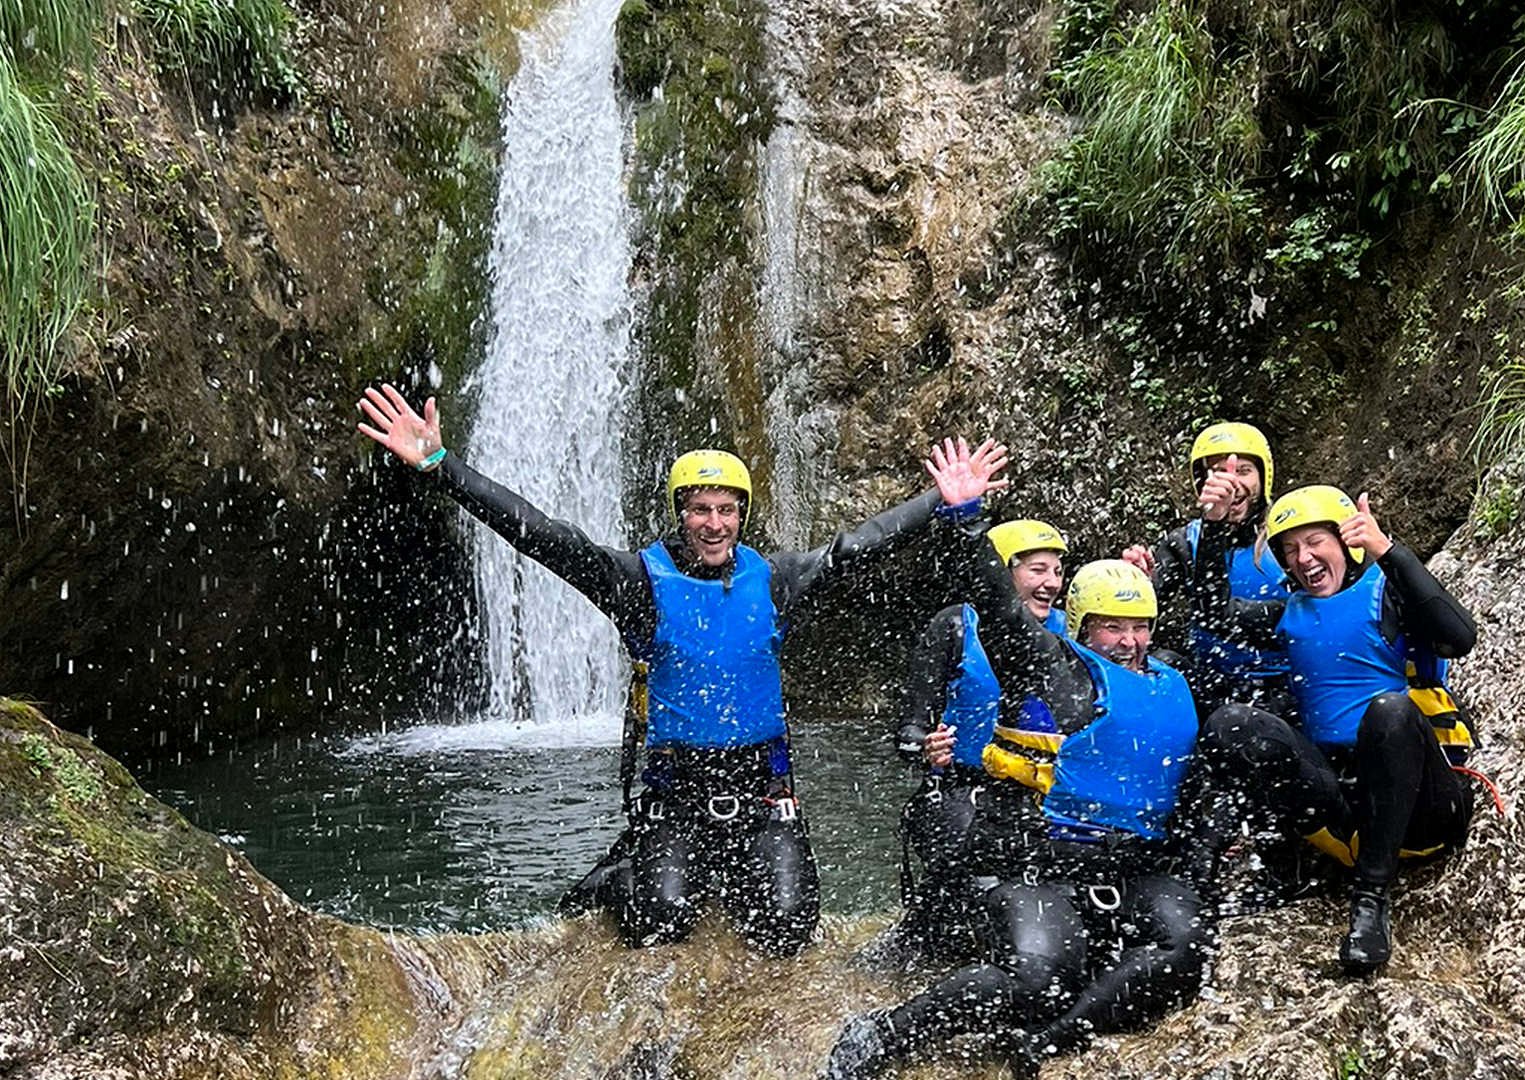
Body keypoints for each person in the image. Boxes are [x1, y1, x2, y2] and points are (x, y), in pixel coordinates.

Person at [355, 384, 1007, 956]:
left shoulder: (777, 580)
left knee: (786, 928)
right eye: (700, 508)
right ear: (681, 512)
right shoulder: (637, 581)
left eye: (726, 510)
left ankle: (731, 870)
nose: (714, 523)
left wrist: (942, 503)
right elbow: (542, 535)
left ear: (742, 516)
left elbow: (856, 547)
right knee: (659, 921)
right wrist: (442, 467)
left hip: (764, 800)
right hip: (677, 802)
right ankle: (620, 874)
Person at [825, 451, 1207, 1078]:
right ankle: (885, 1033)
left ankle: (1056, 1037)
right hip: (1040, 857)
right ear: (1083, 630)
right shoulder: (1054, 669)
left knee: (1187, 949)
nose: (1129, 642)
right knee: (1037, 978)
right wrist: (967, 519)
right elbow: (1000, 616)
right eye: (1112, 628)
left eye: (1139, 628)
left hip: (1132, 860)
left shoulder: (1170, 676)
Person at [1188, 484, 1478, 974]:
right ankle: (1285, 863)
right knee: (1229, 724)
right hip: (1344, 809)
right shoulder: (1289, 612)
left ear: (1345, 542)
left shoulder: (1387, 591)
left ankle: (1370, 901)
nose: (1304, 559)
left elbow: (1460, 636)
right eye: (1290, 549)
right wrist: (1216, 531)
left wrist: (1388, 551)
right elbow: (1212, 613)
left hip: (1422, 805)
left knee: (1390, 710)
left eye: (1315, 542)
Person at [889, 519, 1069, 965]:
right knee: (972, 867)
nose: (1051, 584)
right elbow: (907, 730)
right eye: (1037, 570)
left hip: (1043, 789)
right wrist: (924, 746)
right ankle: (928, 946)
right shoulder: (953, 627)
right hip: (962, 785)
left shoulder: (1072, 629)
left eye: (1057, 571)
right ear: (1003, 575)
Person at [1122, 421, 1291, 715]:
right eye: (1218, 472)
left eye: (1243, 471)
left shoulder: (1288, 538)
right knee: (1162, 662)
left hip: (1282, 686)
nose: (1231, 482)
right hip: (1210, 684)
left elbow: (1220, 617)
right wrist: (1140, 584)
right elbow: (1137, 616)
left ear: (1264, 478)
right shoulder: (1186, 542)